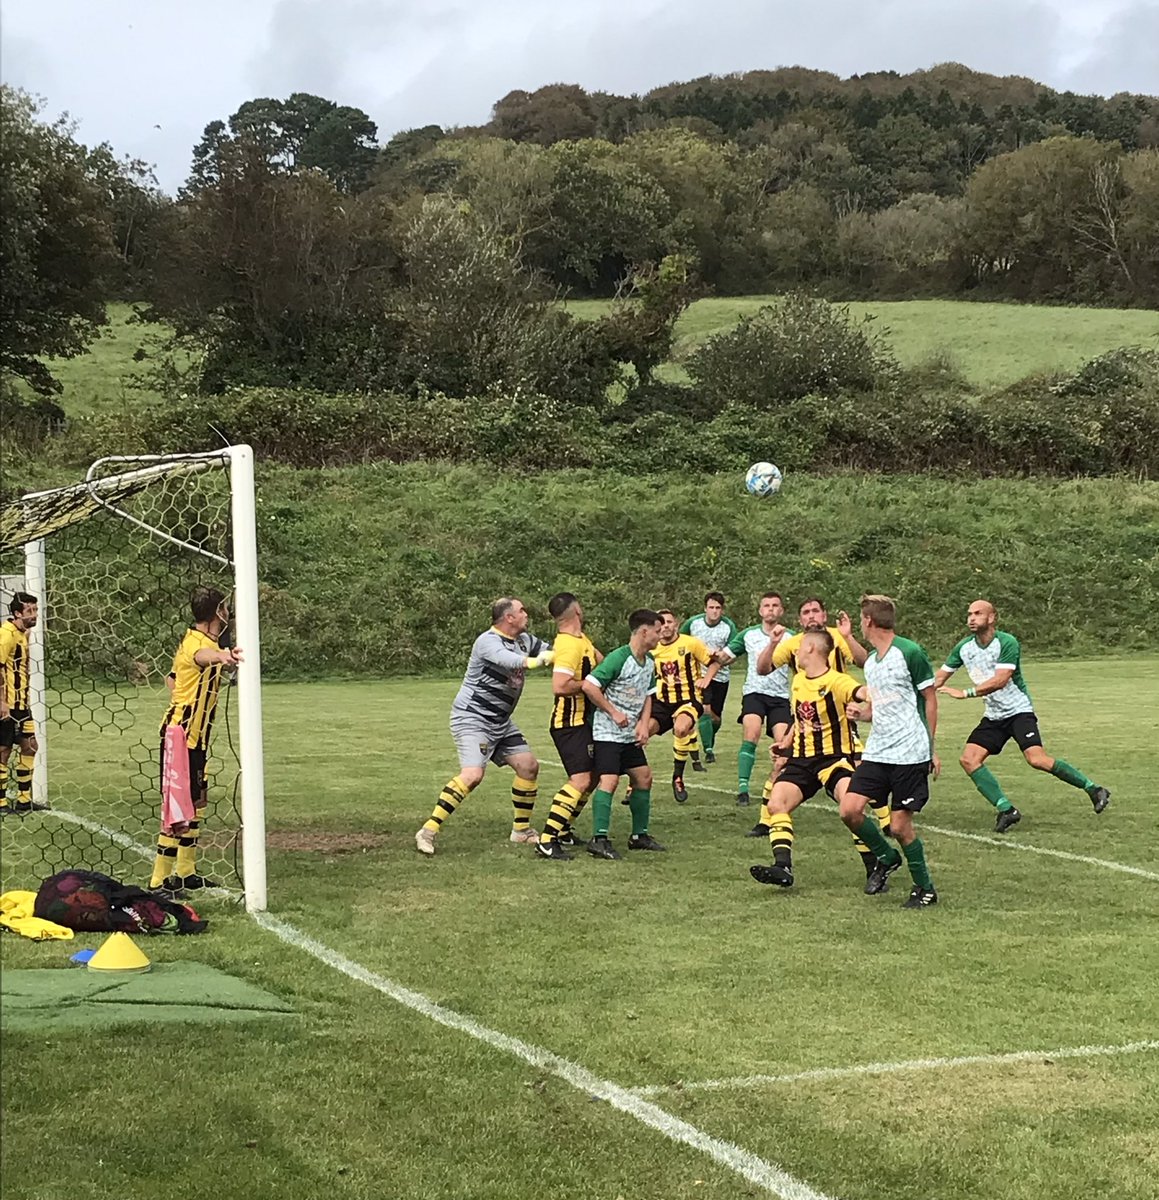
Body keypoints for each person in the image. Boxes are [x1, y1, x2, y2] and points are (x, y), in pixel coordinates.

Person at [935, 599, 1110, 833]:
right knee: (969, 759)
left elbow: (1001, 680)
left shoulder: (1007, 642)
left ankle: (1094, 789)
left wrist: (965, 693)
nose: (971, 618)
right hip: (994, 715)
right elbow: (938, 678)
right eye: (969, 614)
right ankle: (1007, 810)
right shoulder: (964, 647)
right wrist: (915, 690)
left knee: (1036, 759)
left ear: (992, 617)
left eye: (978, 613)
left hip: (1018, 711)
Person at [416, 598, 553, 856]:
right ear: (508, 618)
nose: (527, 614)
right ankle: (428, 831)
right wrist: (542, 660)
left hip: (500, 721)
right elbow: (512, 661)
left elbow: (554, 649)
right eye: (521, 611)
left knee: (528, 766)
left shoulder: (525, 640)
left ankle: (521, 831)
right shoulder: (488, 642)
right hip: (473, 717)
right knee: (472, 775)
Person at [749, 629, 875, 891]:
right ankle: (783, 867)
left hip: (834, 759)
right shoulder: (798, 682)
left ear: (811, 650)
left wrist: (864, 709)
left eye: (800, 645)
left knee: (851, 809)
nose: (795, 649)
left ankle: (874, 865)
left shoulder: (837, 681)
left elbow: (866, 692)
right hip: (802, 760)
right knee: (776, 803)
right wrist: (785, 743)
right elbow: (801, 719)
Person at [840, 595, 941, 909]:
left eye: (861, 619)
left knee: (899, 827)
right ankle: (885, 857)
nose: (860, 623)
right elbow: (883, 706)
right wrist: (864, 715)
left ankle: (925, 888)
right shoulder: (872, 662)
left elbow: (930, 699)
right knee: (850, 810)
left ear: (869, 620)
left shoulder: (909, 652)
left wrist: (930, 748)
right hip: (878, 751)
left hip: (909, 753)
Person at [149, 586, 243, 890]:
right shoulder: (197, 644)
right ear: (218, 612)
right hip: (181, 737)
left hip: (197, 737)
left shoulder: (197, 640)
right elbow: (202, 657)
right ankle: (159, 881)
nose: (228, 613)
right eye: (226, 608)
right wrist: (222, 657)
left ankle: (186, 873)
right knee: (176, 808)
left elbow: (172, 678)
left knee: (197, 802)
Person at [579, 609, 666, 859]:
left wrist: (644, 722)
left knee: (644, 778)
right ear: (644, 631)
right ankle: (599, 839)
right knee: (610, 781)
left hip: (629, 734)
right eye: (658, 631)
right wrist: (613, 712)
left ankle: (639, 836)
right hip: (607, 732)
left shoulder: (649, 661)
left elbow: (649, 694)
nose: (661, 635)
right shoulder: (619, 657)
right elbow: (589, 686)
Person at [537, 592, 602, 861]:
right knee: (581, 780)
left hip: (583, 721)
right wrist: (587, 685)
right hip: (568, 723)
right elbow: (560, 685)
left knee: (593, 777)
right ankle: (547, 839)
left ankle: (563, 829)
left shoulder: (580, 639)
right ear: (577, 610)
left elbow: (601, 661)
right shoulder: (568, 645)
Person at [716, 592, 793, 811]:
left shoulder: (791, 637)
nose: (770, 609)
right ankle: (743, 788)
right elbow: (725, 656)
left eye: (775, 605)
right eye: (766, 605)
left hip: (780, 698)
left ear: (781, 611)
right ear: (760, 611)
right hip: (754, 694)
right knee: (751, 734)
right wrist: (712, 657)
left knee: (783, 745)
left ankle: (775, 788)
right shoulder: (748, 634)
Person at [648, 610, 719, 803]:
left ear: (676, 624)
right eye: (661, 623)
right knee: (642, 734)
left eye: (669, 622)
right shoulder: (651, 649)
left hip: (688, 699)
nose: (665, 626)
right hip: (662, 702)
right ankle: (635, 780)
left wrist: (706, 679)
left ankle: (677, 777)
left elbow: (713, 663)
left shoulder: (690, 643)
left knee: (680, 728)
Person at [680, 593, 737, 765]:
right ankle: (708, 751)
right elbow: (679, 643)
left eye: (718, 608)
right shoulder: (693, 623)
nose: (714, 611)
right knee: (704, 709)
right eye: (711, 607)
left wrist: (722, 655)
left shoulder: (728, 627)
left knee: (715, 717)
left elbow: (734, 653)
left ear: (722, 610)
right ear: (705, 608)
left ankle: (708, 740)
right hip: (699, 675)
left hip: (721, 675)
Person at [0, 592, 44, 817]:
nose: (34, 615)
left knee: (30, 746)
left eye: (35, 610)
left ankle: (24, 800)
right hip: (7, 705)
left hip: (22, 705)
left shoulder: (21, 634)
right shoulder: (5, 635)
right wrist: (2, 702)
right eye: (30, 611)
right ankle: (1, 804)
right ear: (17, 613)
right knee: (3, 751)